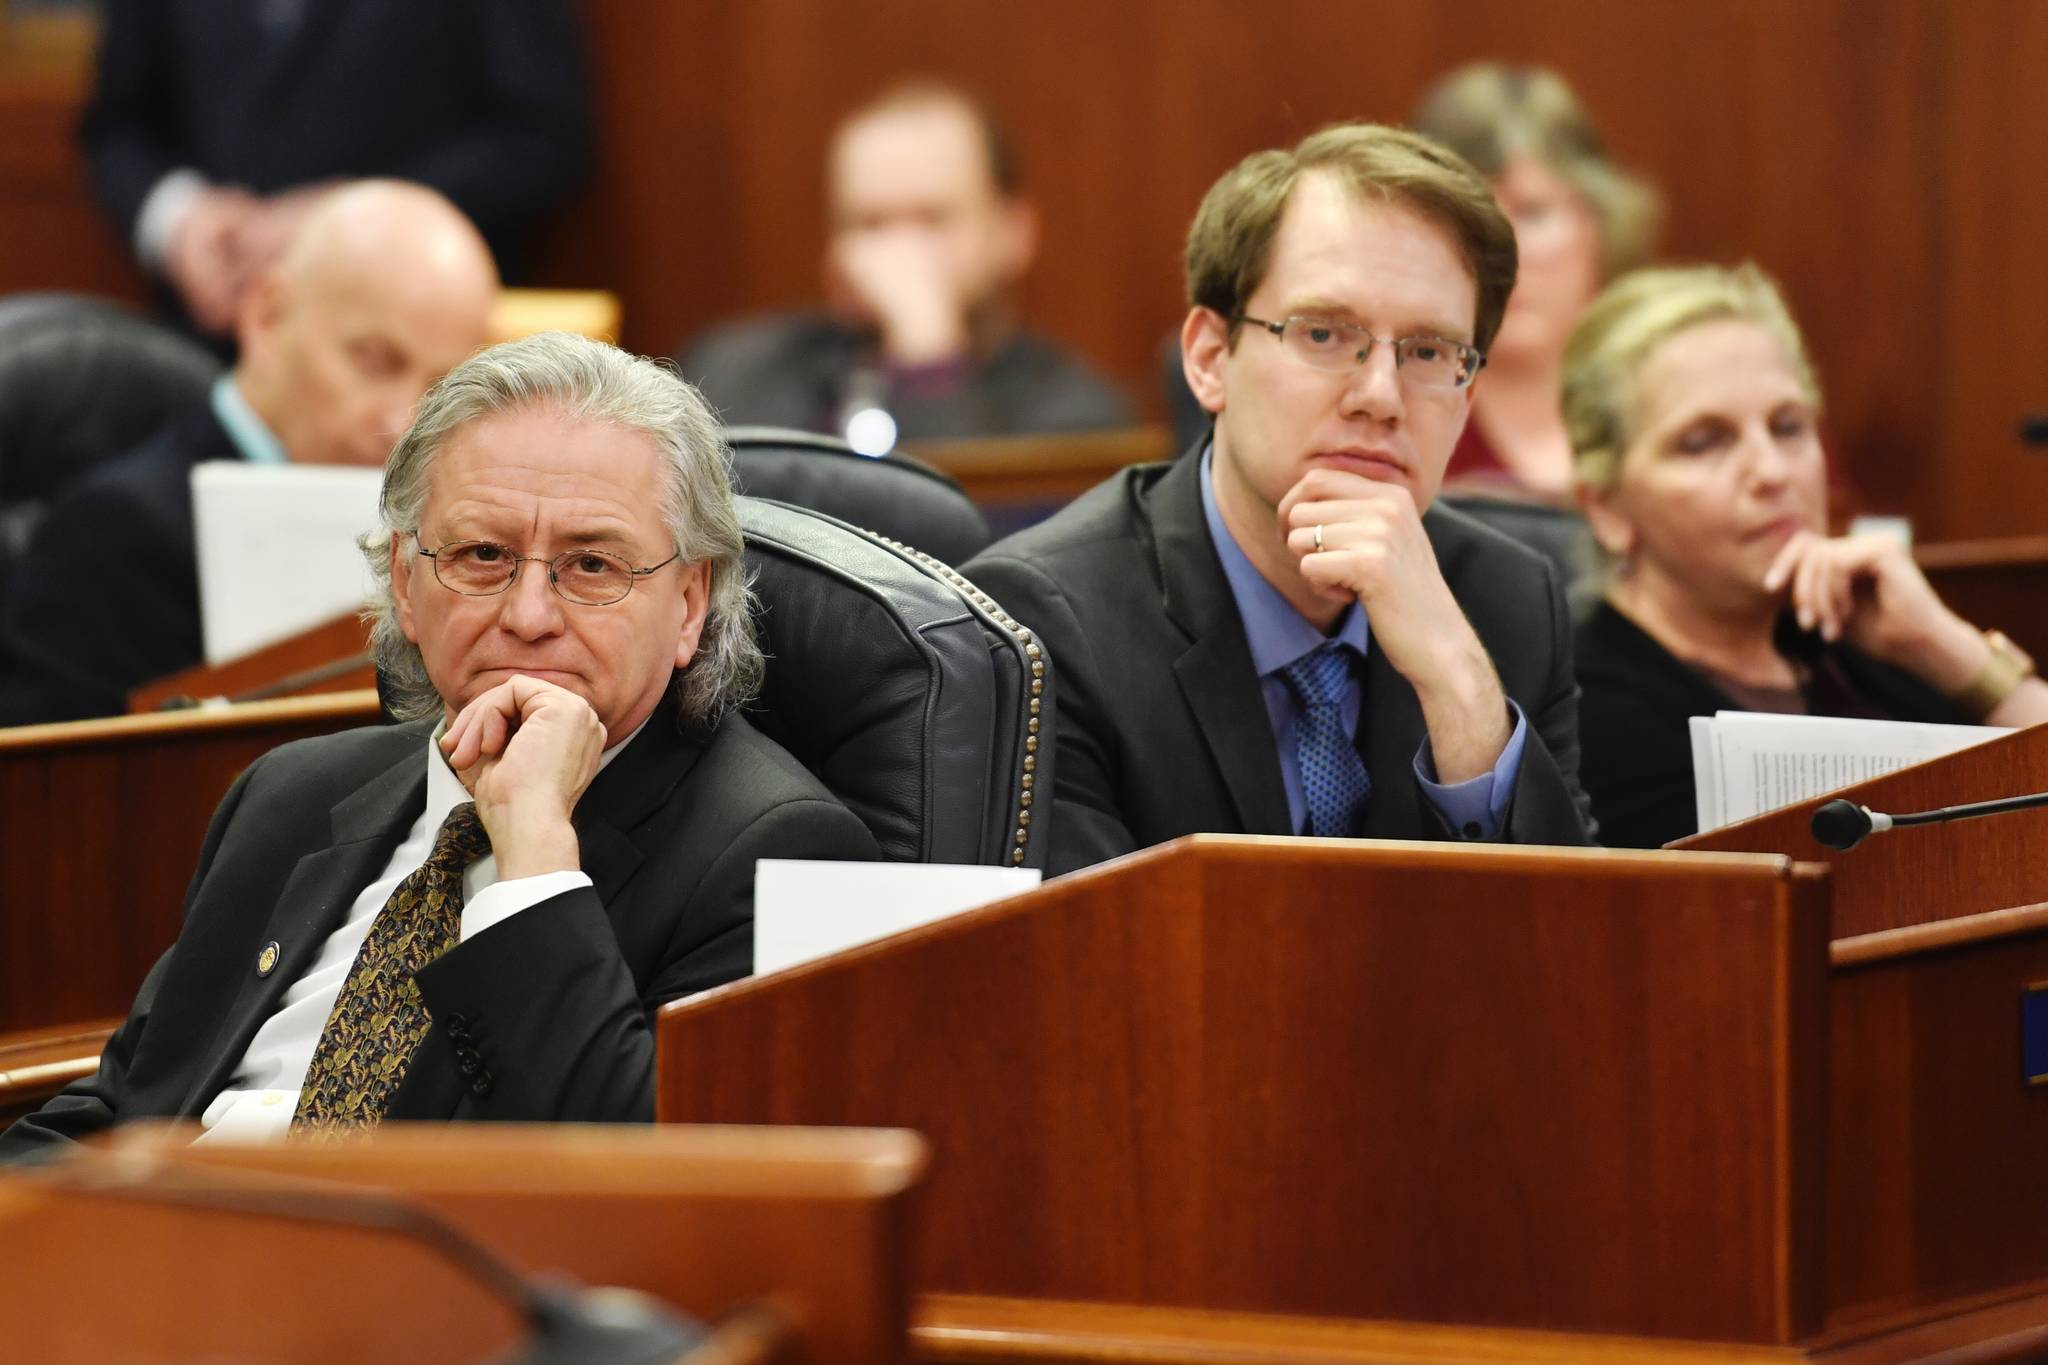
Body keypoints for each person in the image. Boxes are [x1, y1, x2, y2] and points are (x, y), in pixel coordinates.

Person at [1, 332, 880, 1156]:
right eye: (483, 553)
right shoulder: (288, 794)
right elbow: (122, 1109)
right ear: (406, 587)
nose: (528, 615)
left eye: (593, 565)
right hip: (151, 1260)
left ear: (689, 604)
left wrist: (533, 852)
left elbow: (638, 1192)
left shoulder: (775, 855)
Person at [963, 123, 1595, 876]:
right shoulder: (1045, 627)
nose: (1381, 396)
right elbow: (1101, 972)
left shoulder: (1508, 602)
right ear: (1209, 360)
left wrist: (1459, 685)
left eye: (1428, 352)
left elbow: (1573, 958)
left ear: (1469, 392)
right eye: (1325, 333)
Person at [1565, 263, 2048, 848]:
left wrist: (1948, 650)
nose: (1771, 471)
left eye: (1788, 426)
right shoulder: (1588, 708)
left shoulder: (1861, 643)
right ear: (1608, 510)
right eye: (1705, 442)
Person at [0, 181, 499, 725]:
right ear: (267, 317)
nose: (402, 421)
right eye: (375, 362)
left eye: (439, 387)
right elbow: (56, 794)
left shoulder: (454, 542)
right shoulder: (109, 536)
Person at [81, 0, 592, 339]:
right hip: (210, 339)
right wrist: (178, 219)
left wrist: (357, 218)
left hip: (411, 349)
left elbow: (543, 138)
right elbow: (118, 125)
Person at [678, 80, 1133, 449]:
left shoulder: (1077, 415)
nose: (897, 255)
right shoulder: (734, 371)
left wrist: (927, 354)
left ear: (1013, 232)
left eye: (932, 221)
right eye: (869, 223)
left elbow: (968, 544)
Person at [1411, 63, 1660, 501]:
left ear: (1600, 221)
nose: (1504, 251)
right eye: (1476, 220)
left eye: (1533, 212)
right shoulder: (1392, 404)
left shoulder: (1680, 384)